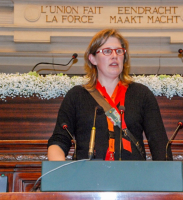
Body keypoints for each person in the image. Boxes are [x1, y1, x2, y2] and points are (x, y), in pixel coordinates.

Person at [47, 29, 172, 161]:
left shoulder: (142, 94)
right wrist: (61, 174)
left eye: (119, 51)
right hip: (87, 177)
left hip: (132, 176)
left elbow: (160, 145)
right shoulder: (76, 96)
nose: (114, 56)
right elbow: (59, 141)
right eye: (107, 51)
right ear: (92, 58)